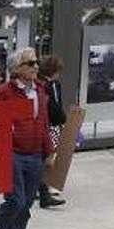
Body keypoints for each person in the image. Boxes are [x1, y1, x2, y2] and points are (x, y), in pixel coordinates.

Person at [0, 48, 56, 229]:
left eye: (36, 63)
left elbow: (44, 122)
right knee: (15, 200)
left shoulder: (41, 90)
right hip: (11, 152)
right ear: (17, 69)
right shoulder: (5, 91)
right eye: (30, 63)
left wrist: (49, 151)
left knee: (26, 205)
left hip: (35, 153)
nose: (35, 66)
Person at [37, 56, 67, 209]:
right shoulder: (43, 86)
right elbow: (47, 107)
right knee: (47, 159)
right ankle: (44, 191)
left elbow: (58, 104)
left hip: (56, 124)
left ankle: (43, 188)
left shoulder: (55, 84)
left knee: (50, 156)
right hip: (48, 126)